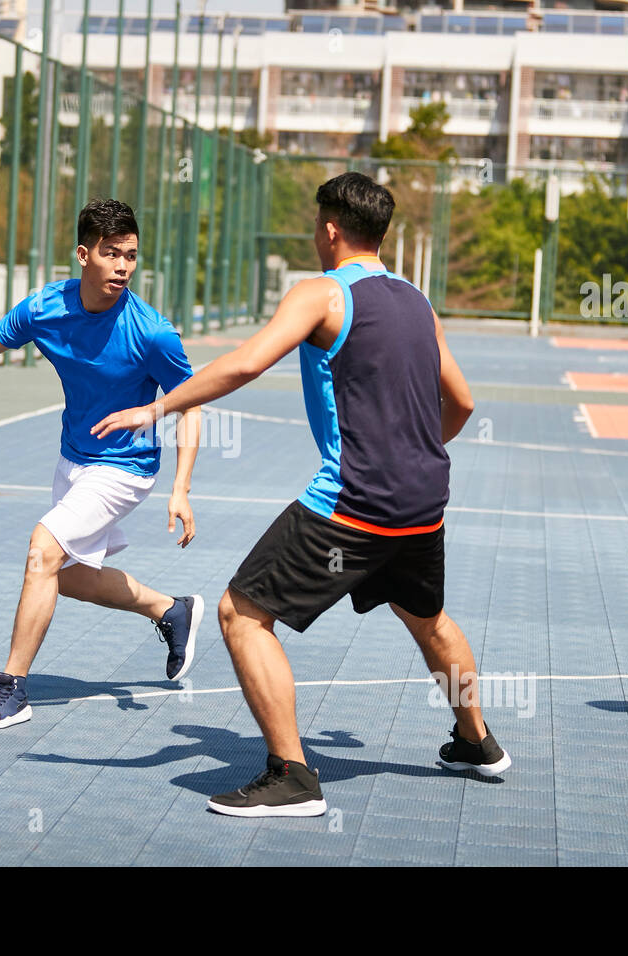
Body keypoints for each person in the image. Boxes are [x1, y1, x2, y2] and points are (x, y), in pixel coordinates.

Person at [92, 172, 508, 817]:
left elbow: (246, 363)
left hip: (354, 501)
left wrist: (159, 408)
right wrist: (418, 454)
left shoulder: (320, 294)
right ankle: (476, 740)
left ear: (331, 229)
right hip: (423, 499)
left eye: (317, 225)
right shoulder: (416, 300)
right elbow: (463, 401)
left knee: (241, 613)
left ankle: (291, 777)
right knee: (427, 620)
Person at [0, 199, 205, 729]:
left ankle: (11, 687)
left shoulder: (152, 332)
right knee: (65, 576)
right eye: (111, 253)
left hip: (125, 467)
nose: (122, 266)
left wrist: (181, 487)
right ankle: (169, 609)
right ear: (82, 254)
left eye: (131, 256)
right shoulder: (46, 308)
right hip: (73, 459)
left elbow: (190, 403)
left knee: (42, 550)